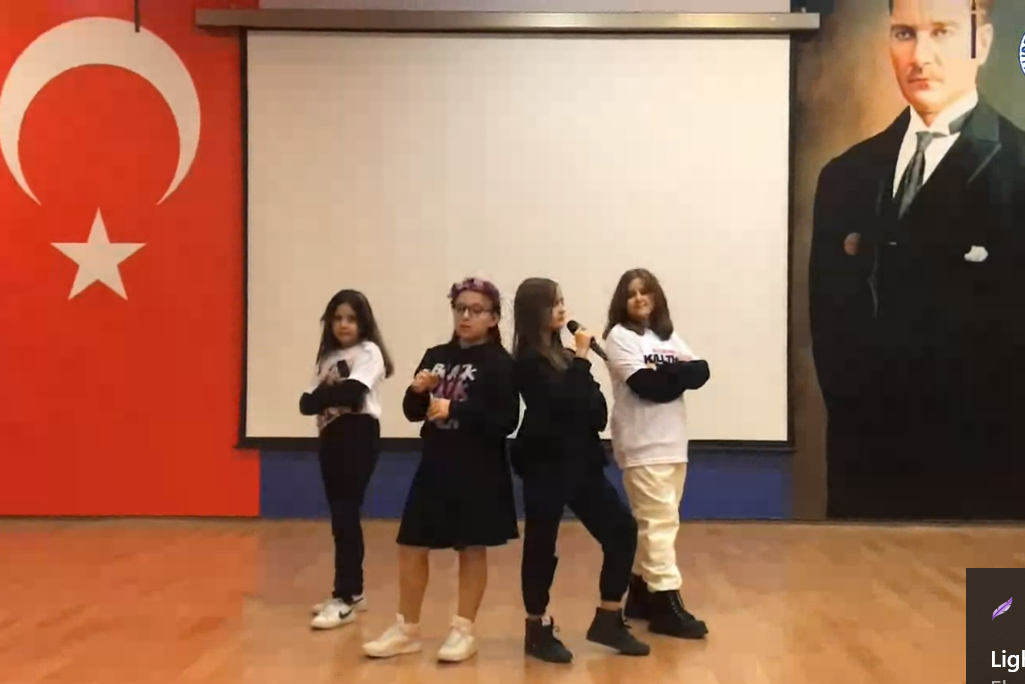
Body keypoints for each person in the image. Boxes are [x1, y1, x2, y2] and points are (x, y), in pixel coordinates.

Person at [808, 0, 1025, 520]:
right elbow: (828, 327)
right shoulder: (844, 175)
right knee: (860, 578)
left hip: (983, 482)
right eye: (904, 33)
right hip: (865, 476)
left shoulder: (1019, 170)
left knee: (984, 584)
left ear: (982, 43)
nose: (919, 56)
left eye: (942, 32)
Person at [362, 277, 520, 662]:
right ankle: (407, 629)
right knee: (411, 544)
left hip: (479, 469)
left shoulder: (500, 362)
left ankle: (463, 630)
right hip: (435, 464)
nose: (466, 316)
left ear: (493, 318)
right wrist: (418, 390)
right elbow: (412, 412)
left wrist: (455, 408)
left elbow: (506, 419)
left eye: (476, 310)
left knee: (471, 548)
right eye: (460, 308)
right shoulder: (436, 355)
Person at [510, 277, 650, 663]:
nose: (562, 309)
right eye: (554, 303)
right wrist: (583, 364)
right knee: (542, 544)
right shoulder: (527, 362)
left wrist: (581, 371)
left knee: (621, 531)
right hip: (544, 462)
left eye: (562, 301)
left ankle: (608, 617)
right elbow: (560, 405)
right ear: (534, 311)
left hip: (581, 461)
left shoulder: (569, 356)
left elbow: (595, 411)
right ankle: (537, 627)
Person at [602, 268, 710, 639]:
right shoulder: (619, 337)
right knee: (660, 524)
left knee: (655, 522)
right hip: (642, 445)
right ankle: (666, 604)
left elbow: (701, 371)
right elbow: (648, 387)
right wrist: (676, 373)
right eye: (631, 293)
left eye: (644, 291)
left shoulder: (665, 336)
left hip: (673, 443)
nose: (639, 298)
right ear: (622, 301)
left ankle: (640, 592)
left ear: (656, 296)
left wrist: (668, 373)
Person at [300, 289, 393, 629]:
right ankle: (353, 590)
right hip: (330, 436)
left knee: (346, 513)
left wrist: (325, 395)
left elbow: (355, 394)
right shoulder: (327, 358)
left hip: (358, 434)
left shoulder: (369, 352)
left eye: (351, 318)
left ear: (363, 322)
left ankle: (346, 597)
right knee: (340, 518)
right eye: (337, 318)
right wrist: (332, 395)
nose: (343, 324)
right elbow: (306, 403)